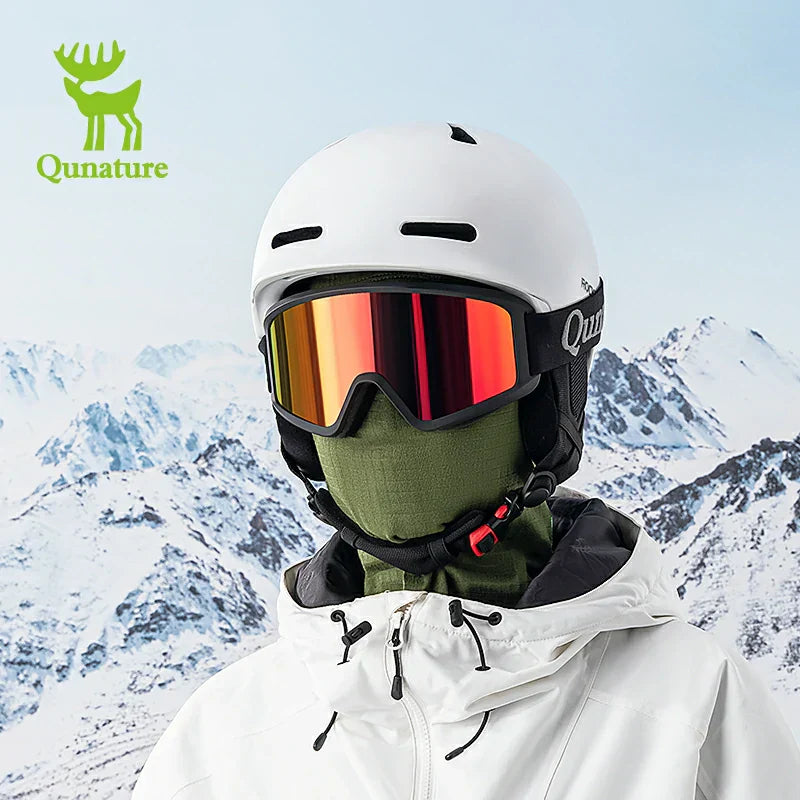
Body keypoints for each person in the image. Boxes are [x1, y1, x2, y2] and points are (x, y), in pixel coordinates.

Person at [132, 122, 800, 799]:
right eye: (323, 370)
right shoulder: (218, 745)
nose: (375, 412)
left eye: (438, 365)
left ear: (549, 390)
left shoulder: (691, 715)